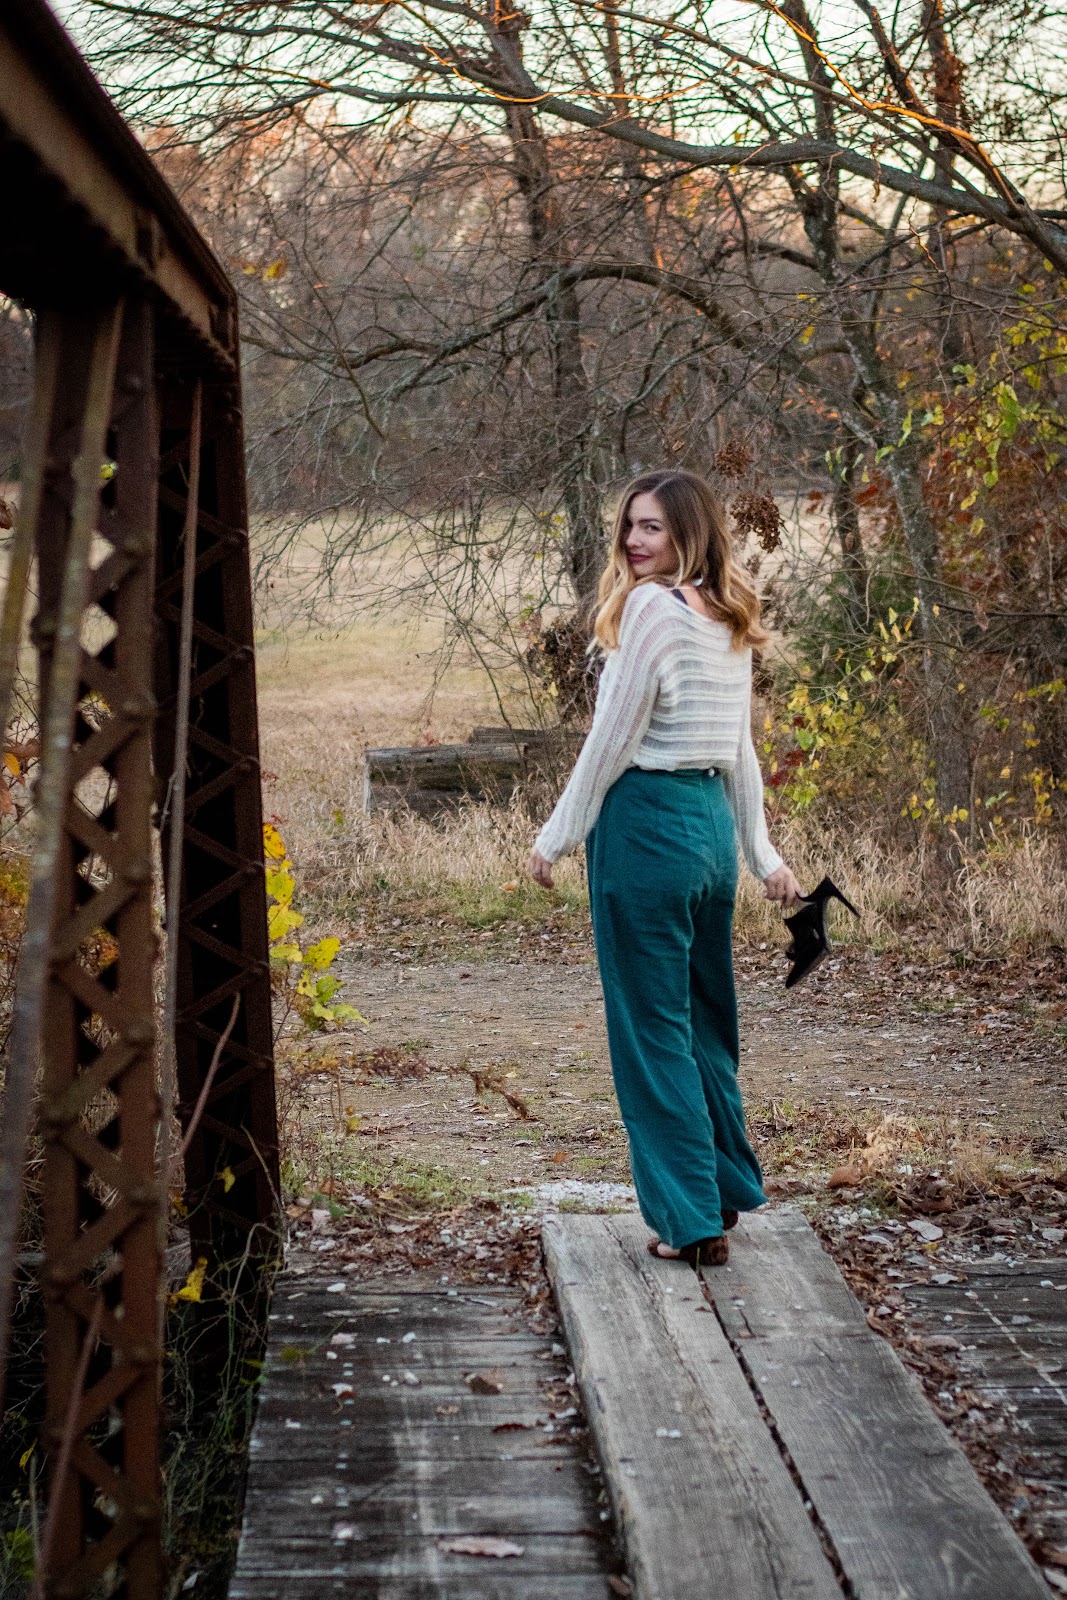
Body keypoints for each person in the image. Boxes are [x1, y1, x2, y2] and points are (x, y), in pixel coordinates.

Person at [528, 468, 802, 1267]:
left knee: (651, 1031)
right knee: (704, 1022)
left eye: (651, 526)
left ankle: (688, 1220)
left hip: (647, 830)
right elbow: (737, 752)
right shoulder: (726, 613)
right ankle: (720, 1187)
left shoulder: (650, 609)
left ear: (688, 532)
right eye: (628, 525)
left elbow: (610, 741)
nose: (633, 540)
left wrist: (556, 836)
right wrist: (759, 855)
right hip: (707, 836)